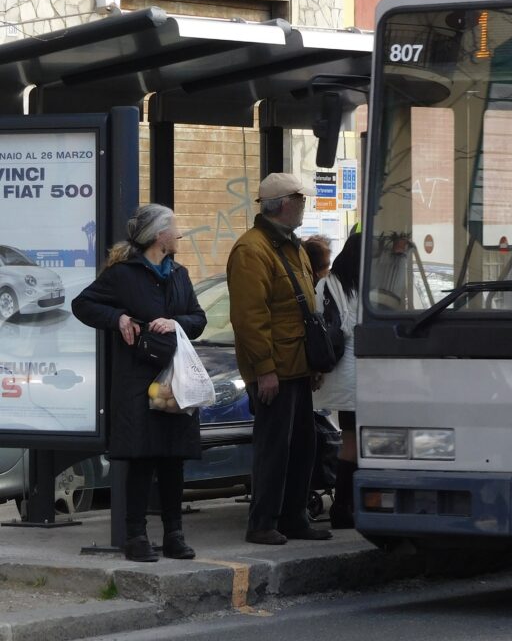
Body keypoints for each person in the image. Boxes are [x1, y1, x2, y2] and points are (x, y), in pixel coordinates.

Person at [71, 204, 206, 563]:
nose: (179, 233)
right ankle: (136, 537)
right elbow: (82, 304)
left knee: (173, 460)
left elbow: (198, 318)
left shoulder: (179, 274)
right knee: (142, 460)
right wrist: (118, 318)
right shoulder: (123, 275)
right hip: (136, 379)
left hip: (172, 382)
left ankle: (175, 534)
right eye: (173, 227)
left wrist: (175, 323)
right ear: (158, 236)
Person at [227, 172, 332, 545]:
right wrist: (265, 370)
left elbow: (305, 312)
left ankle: (293, 517)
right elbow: (249, 318)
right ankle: (262, 522)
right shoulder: (251, 250)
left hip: (297, 367)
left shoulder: (293, 246)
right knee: (274, 449)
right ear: (285, 204)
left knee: (303, 446)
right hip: (275, 370)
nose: (305, 207)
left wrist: (313, 365)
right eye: (301, 201)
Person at [313, 231, 361, 529]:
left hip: (339, 373)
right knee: (356, 442)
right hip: (361, 375)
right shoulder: (365, 288)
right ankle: (344, 507)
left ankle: (342, 506)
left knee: (350, 439)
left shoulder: (326, 284)